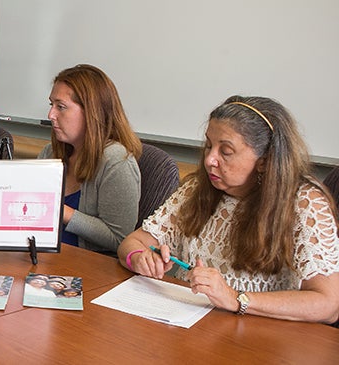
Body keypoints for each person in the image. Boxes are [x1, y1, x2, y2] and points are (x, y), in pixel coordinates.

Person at [118, 96, 339, 323]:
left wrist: (235, 299)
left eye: (226, 151)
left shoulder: (304, 203)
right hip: (194, 326)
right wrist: (139, 258)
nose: (210, 160)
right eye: (209, 146)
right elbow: (132, 243)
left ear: (263, 161)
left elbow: (328, 304)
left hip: (262, 336)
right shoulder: (198, 189)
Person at [38, 64, 141, 254]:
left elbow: (121, 240)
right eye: (51, 105)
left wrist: (65, 213)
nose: (50, 115)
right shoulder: (49, 153)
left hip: (90, 271)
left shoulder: (117, 162)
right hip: (44, 261)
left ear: (92, 112)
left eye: (61, 107)